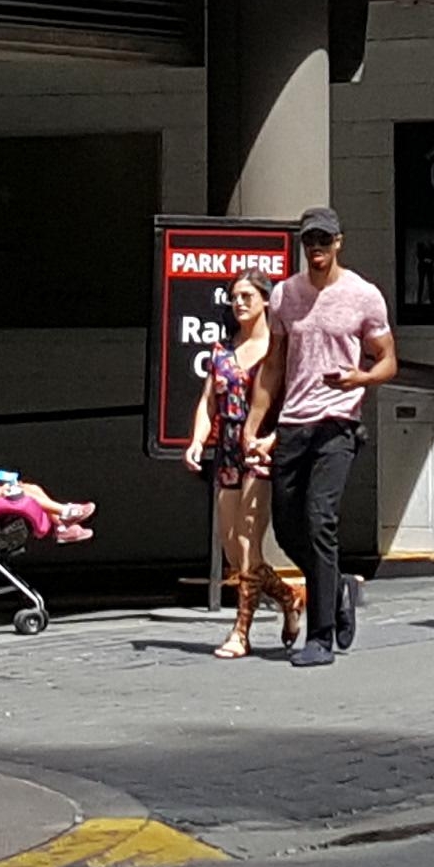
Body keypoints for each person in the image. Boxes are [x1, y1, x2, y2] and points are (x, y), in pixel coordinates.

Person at [251, 204, 397, 665]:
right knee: (288, 527)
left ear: (338, 242)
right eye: (309, 241)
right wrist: (255, 427)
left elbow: (389, 359)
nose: (316, 249)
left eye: (324, 240)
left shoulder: (363, 295)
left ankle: (321, 636)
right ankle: (338, 590)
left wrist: (362, 379)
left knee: (320, 519)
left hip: (338, 423)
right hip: (294, 422)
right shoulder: (284, 297)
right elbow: (273, 364)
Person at [188, 271, 310, 658]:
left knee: (247, 543)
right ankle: (289, 597)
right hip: (226, 451)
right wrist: (196, 440)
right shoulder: (223, 350)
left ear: (264, 301)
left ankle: (241, 631)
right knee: (232, 551)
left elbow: (293, 401)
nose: (239, 303)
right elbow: (209, 401)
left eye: (247, 296)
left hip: (261, 452)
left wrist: (273, 439)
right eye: (234, 297)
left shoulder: (276, 349)